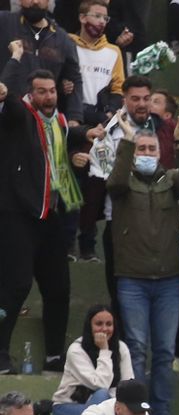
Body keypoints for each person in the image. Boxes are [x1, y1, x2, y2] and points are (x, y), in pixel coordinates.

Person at [105, 116, 179, 415]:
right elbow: (115, 181)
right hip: (132, 279)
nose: (145, 153)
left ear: (160, 152)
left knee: (165, 351)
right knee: (137, 348)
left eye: (150, 148)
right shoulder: (122, 183)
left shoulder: (169, 180)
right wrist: (128, 142)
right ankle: (137, 411)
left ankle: (163, 413)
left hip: (168, 280)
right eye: (141, 148)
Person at [0, 66, 78, 375]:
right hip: (17, 213)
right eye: (42, 91)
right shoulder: (19, 117)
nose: (48, 96)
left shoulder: (59, 121)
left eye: (52, 90)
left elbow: (58, 163)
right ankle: (1, 352)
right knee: (15, 285)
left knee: (59, 287)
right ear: (30, 95)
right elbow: (9, 98)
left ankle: (54, 355)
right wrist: (11, 75)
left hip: (51, 213)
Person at [48, 305, 132, 415]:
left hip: (106, 409)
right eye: (99, 324)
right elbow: (100, 384)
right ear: (89, 326)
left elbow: (128, 385)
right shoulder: (76, 350)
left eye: (109, 324)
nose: (104, 329)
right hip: (68, 408)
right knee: (102, 394)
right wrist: (104, 350)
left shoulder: (121, 348)